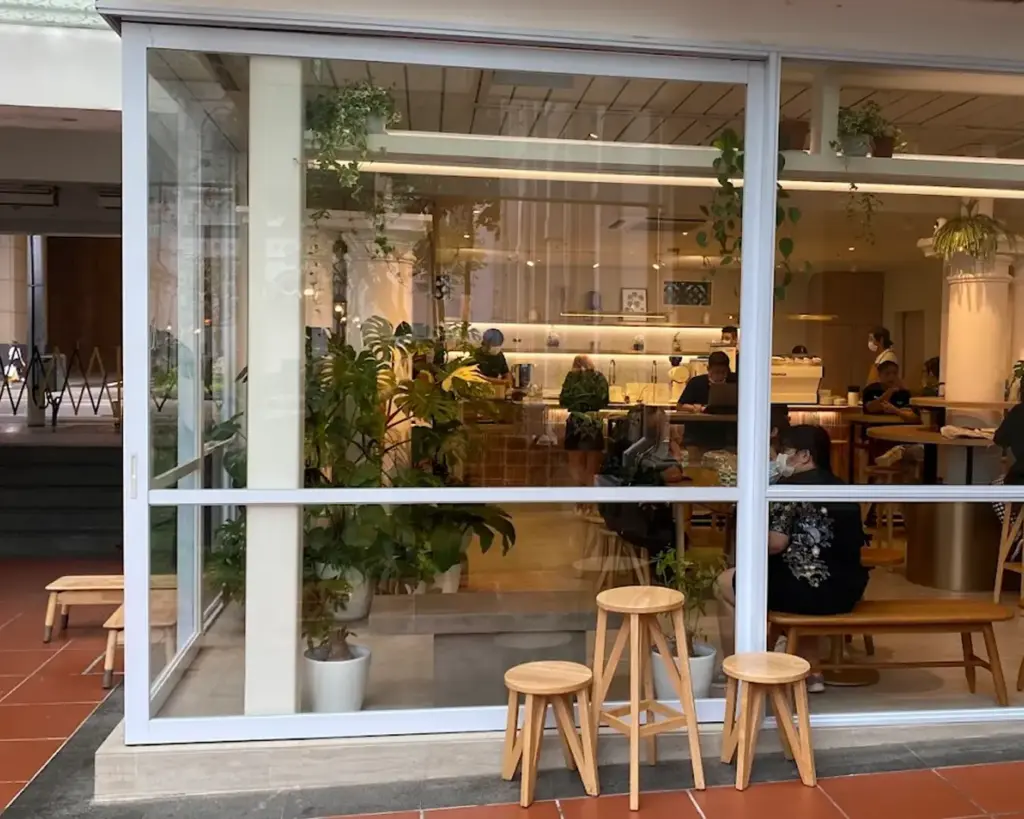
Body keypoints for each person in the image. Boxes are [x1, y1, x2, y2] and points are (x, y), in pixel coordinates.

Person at [715, 424, 869, 692]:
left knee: (726, 582)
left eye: (785, 452)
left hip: (803, 590)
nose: (779, 459)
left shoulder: (788, 488)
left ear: (804, 455)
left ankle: (744, 661)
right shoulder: (841, 486)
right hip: (846, 590)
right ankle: (811, 669)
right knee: (801, 584)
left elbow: (775, 543)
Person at [560, 355, 610, 486]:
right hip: (593, 423)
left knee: (575, 465)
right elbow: (604, 400)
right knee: (592, 469)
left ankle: (579, 501)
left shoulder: (571, 377)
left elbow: (563, 401)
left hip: (575, 422)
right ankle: (589, 502)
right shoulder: (599, 377)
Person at [677, 351, 737, 451]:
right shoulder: (696, 382)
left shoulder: (734, 382)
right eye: (716, 372)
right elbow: (680, 406)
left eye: (723, 372)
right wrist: (696, 408)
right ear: (708, 369)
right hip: (697, 436)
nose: (719, 375)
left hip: (727, 437)